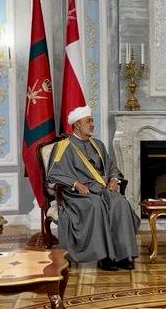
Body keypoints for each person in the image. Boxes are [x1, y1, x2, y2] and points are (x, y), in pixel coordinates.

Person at [47, 106, 140, 270]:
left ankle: (123, 255)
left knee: (120, 203)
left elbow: (111, 166)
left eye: (92, 121)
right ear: (77, 125)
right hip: (77, 194)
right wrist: (76, 184)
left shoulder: (98, 145)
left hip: (101, 189)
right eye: (88, 121)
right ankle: (104, 257)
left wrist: (113, 179)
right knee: (96, 205)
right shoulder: (63, 147)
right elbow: (54, 174)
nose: (92, 124)